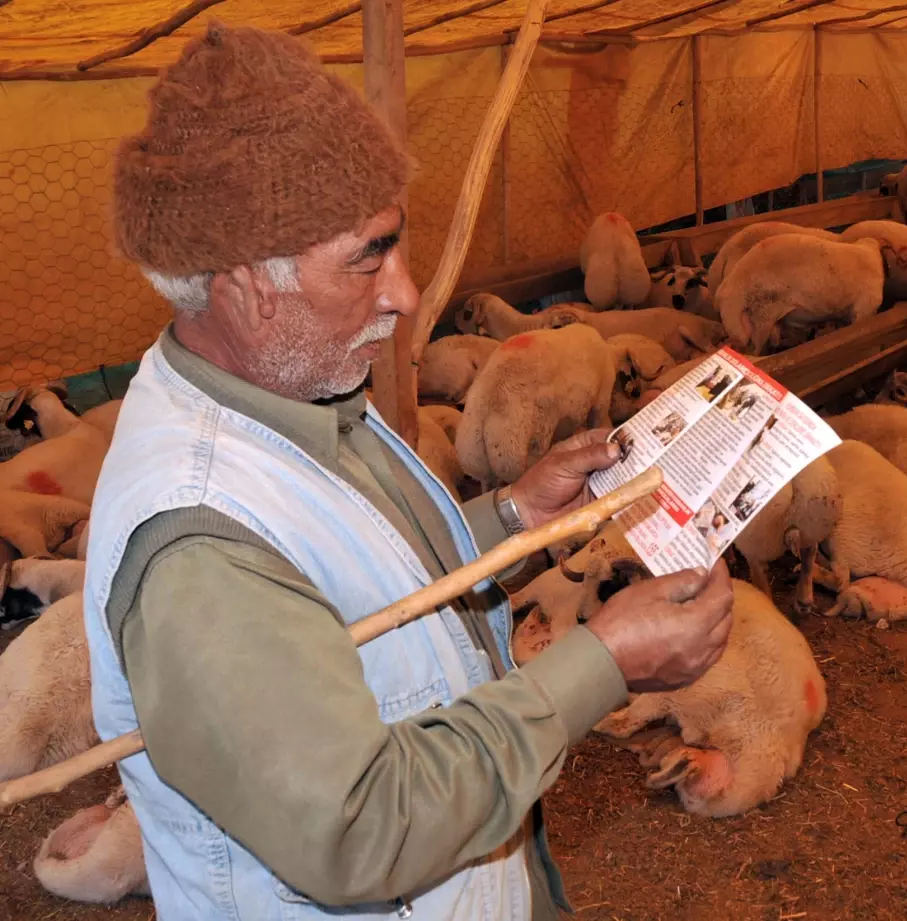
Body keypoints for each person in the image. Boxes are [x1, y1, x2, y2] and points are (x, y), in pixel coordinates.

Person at [84, 23, 734, 921]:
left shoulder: (299, 395)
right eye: (368, 256)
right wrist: (604, 662)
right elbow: (357, 827)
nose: (405, 291)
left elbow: (346, 597)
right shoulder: (198, 544)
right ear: (242, 283)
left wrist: (515, 520)